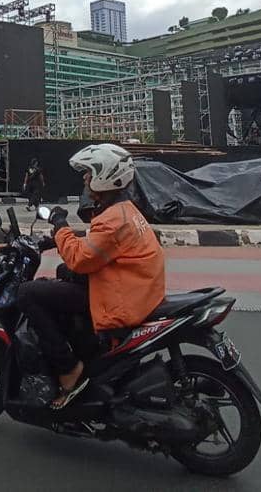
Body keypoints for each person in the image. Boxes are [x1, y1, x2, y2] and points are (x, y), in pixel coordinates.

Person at [17, 143, 165, 410]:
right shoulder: (124, 210)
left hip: (121, 300)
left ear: (106, 176)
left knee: (28, 293)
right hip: (136, 288)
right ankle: (87, 346)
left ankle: (68, 368)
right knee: (64, 273)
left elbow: (79, 257)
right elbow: (96, 245)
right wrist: (60, 238)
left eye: (90, 172)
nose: (85, 178)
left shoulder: (112, 219)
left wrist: (59, 225)